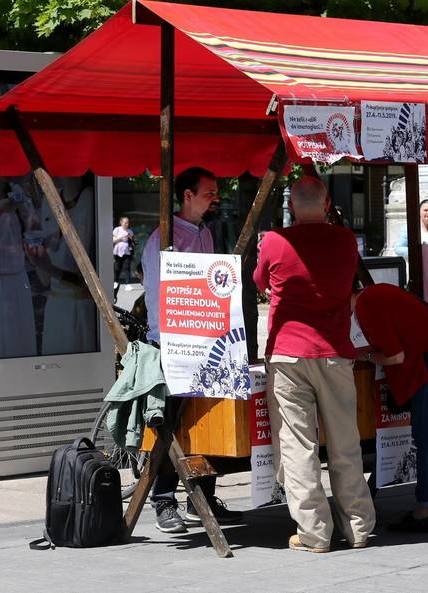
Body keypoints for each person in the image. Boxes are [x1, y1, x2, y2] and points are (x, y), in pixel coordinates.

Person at [254, 176, 375, 553]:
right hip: (335, 353)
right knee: (345, 444)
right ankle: (358, 527)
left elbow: (260, 281)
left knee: (297, 445)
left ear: (291, 206)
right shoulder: (344, 240)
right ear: (326, 206)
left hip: (288, 354)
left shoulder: (275, 241)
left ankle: (314, 532)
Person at [141, 166, 242, 533]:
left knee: (206, 421)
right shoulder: (162, 238)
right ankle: (163, 499)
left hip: (205, 341)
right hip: (172, 343)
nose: (215, 197)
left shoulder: (204, 232)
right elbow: (163, 295)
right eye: (208, 192)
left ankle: (202, 496)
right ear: (186, 195)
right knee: (172, 424)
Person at [352, 283, 428, 532]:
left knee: (426, 436)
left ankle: (424, 510)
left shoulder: (366, 304)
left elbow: (395, 357)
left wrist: (363, 356)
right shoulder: (376, 292)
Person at [36, 174, 98, 356]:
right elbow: (44, 278)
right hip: (56, 306)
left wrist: (47, 266)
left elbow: (84, 277)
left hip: (80, 308)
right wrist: (40, 256)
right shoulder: (48, 201)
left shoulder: (89, 198)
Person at [0, 177, 37, 358]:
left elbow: (33, 225)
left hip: (17, 271)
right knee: (0, 331)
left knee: (19, 330)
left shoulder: (14, 191)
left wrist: (25, 207)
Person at [112, 216, 134, 300]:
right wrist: (122, 238)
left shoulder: (130, 231)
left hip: (127, 252)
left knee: (127, 267)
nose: (126, 224)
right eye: (125, 222)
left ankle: (128, 284)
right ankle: (116, 282)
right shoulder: (117, 230)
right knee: (117, 268)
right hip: (117, 252)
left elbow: (133, 242)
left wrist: (130, 238)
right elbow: (113, 240)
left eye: (127, 222)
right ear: (121, 222)